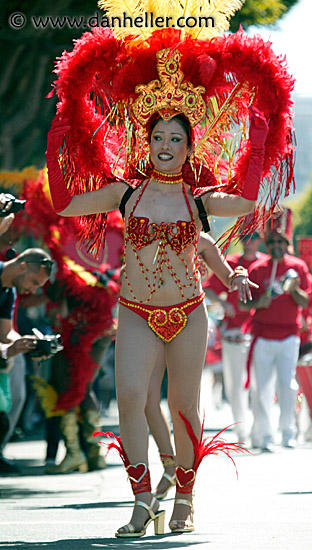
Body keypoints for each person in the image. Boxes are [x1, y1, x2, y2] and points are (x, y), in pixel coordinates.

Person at [46, 9, 295, 536]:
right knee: (132, 399)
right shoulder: (124, 192)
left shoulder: (198, 199)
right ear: (147, 141)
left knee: (184, 406)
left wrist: (257, 138)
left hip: (187, 314)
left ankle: (184, 498)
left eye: (176, 139)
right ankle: (141, 501)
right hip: (135, 311)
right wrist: (59, 137)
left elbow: (243, 203)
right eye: (158, 137)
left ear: (188, 145)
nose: (165, 146)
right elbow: (66, 204)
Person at [146, 232, 258, 500]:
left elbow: (225, 277)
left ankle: (185, 495)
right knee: (144, 399)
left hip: (187, 321)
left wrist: (238, 274)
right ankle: (169, 465)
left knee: (183, 405)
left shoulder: (201, 239)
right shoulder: (142, 228)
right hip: (144, 317)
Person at [242, 208, 312, 452]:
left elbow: (306, 302)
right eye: (271, 242)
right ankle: (264, 434)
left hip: (289, 336)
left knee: (287, 384)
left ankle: (288, 431)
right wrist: (256, 303)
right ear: (267, 244)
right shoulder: (258, 269)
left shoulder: (299, 267)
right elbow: (243, 302)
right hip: (262, 335)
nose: (276, 246)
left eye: (281, 242)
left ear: (287, 243)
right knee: (262, 387)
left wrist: (293, 290)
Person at [204, 231, 265, 443]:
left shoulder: (267, 264)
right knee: (234, 383)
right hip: (233, 332)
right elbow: (209, 289)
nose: (249, 241)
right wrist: (223, 303)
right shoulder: (229, 262)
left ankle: (260, 430)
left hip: (260, 332)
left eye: (254, 237)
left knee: (260, 383)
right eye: (245, 237)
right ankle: (241, 429)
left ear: (260, 240)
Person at [0, 248, 53, 473]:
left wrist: (25, 343)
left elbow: (5, 332)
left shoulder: (9, 291)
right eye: (33, 282)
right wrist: (6, 350)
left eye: (37, 287)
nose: (33, 290)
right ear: (22, 266)